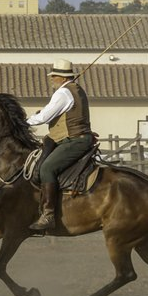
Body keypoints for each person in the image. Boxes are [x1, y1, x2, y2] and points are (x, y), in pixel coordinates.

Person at [26, 59, 95, 231]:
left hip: (74, 140)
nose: (51, 79)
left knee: (47, 168)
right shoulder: (76, 90)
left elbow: (44, 117)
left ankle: (48, 215)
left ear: (62, 78)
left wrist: (23, 122)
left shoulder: (63, 93)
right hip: (75, 138)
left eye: (54, 76)